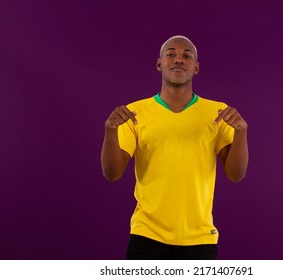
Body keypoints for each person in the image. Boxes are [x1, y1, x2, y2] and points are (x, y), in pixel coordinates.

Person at [101, 35, 249, 260]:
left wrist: (241, 132)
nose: (178, 59)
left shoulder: (218, 113)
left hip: (200, 239)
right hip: (146, 237)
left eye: (186, 56)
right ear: (159, 63)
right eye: (171, 54)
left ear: (196, 67)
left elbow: (236, 175)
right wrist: (110, 130)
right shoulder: (134, 113)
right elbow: (112, 174)